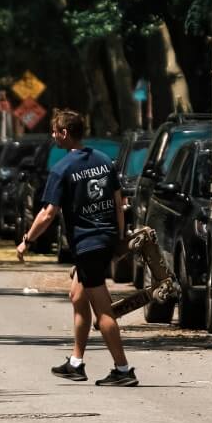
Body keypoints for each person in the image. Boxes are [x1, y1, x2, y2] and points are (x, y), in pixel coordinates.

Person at [17, 108, 137, 386]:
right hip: (104, 239)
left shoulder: (62, 169)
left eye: (55, 131)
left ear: (65, 133)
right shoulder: (104, 161)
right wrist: (118, 239)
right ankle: (75, 363)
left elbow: (48, 213)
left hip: (88, 243)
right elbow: (119, 205)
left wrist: (27, 241)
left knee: (103, 310)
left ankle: (123, 370)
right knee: (77, 296)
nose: (53, 136)